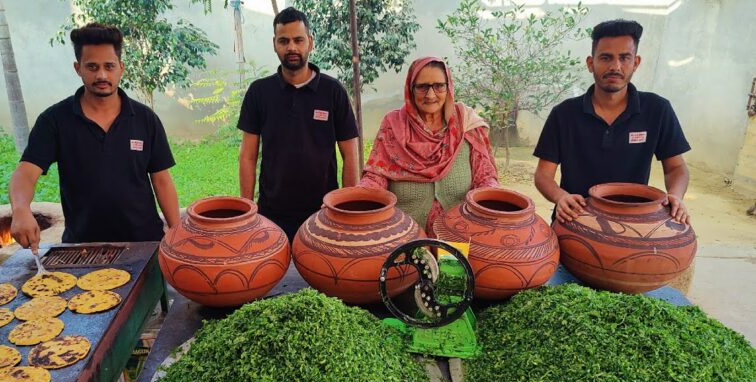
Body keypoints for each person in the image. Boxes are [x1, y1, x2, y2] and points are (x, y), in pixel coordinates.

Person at [9, 23, 180, 248]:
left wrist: (178, 233)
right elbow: (26, 172)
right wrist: (20, 209)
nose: (101, 75)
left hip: (144, 243)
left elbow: (162, 180)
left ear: (121, 67)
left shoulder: (144, 119)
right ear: (77, 68)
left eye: (109, 66)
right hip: (83, 248)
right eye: (92, 67)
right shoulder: (55, 120)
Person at [534, 19, 691, 225]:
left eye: (624, 58)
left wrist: (675, 195)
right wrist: (560, 197)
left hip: (634, 225)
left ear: (635, 62)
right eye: (606, 57)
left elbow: (676, 168)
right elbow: (543, 175)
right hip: (574, 223)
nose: (615, 66)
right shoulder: (564, 114)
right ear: (591, 63)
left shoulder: (657, 110)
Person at [237, 7, 360, 240]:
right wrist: (247, 208)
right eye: (284, 41)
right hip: (272, 213)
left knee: (322, 274)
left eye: (298, 40)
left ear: (310, 42)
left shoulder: (333, 92)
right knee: (269, 274)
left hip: (324, 212)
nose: (291, 47)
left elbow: (351, 154)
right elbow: (248, 155)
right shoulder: (259, 93)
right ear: (275, 44)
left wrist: (345, 207)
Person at [358, 56, 499, 235]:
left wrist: (493, 198)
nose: (430, 95)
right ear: (411, 89)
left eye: (439, 86)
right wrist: (360, 196)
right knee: (414, 264)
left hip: (458, 237)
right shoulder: (393, 125)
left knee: (453, 264)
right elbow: (376, 175)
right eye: (422, 87)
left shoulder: (466, 124)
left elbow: (484, 176)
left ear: (449, 87)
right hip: (404, 237)